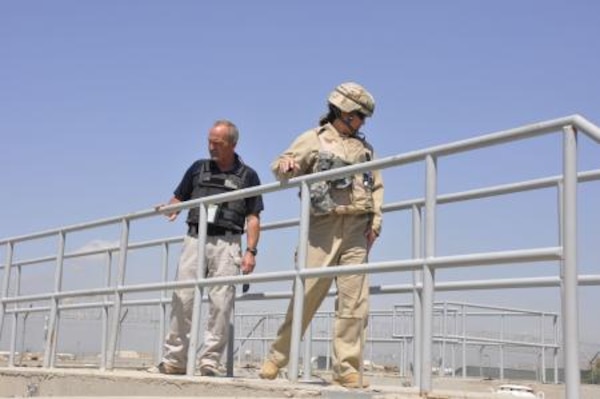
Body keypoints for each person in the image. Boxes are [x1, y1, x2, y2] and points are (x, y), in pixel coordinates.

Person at [259, 82, 383, 388]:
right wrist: (287, 166)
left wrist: (375, 222)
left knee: (355, 301)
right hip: (322, 229)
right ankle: (277, 357)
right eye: (359, 115)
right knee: (308, 294)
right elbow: (281, 165)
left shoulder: (365, 150)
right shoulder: (313, 140)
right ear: (344, 111)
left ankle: (347, 369)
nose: (362, 122)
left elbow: (376, 186)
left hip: (357, 228)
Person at [150, 120, 264, 377]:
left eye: (218, 143)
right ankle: (174, 360)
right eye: (209, 141)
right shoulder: (197, 169)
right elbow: (179, 198)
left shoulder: (248, 176)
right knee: (182, 299)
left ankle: (210, 361)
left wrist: (251, 251)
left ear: (233, 144)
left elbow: (253, 217)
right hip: (194, 239)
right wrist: (170, 209)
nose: (211, 146)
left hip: (228, 242)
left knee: (221, 303)